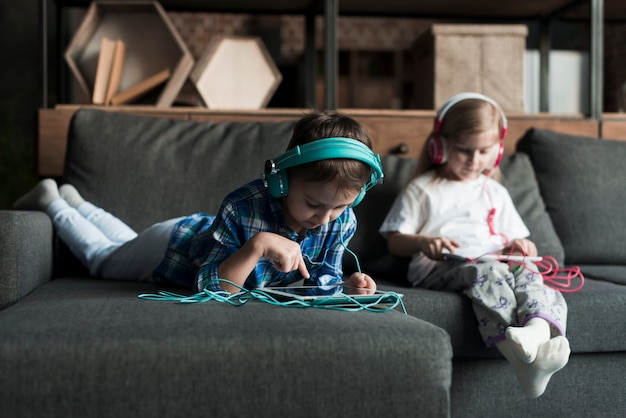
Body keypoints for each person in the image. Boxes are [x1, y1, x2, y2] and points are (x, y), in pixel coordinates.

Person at [14, 110, 383, 295]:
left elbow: (322, 281)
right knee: (104, 259)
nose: (325, 218)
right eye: (313, 204)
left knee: (122, 242)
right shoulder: (242, 206)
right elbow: (214, 291)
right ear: (280, 180)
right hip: (173, 245)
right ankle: (52, 201)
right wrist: (259, 246)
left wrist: (347, 284)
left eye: (339, 207)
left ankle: (80, 204)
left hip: (189, 234)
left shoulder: (340, 219)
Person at [379, 92, 570, 398]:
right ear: (439, 146)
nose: (474, 160)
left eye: (483, 151)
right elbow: (395, 242)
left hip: (492, 258)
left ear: (497, 151)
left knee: (530, 272)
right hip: (442, 267)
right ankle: (523, 353)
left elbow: (516, 239)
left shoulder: (495, 191)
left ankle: (536, 332)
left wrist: (523, 245)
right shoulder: (423, 188)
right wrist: (424, 242)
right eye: (464, 150)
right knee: (488, 271)